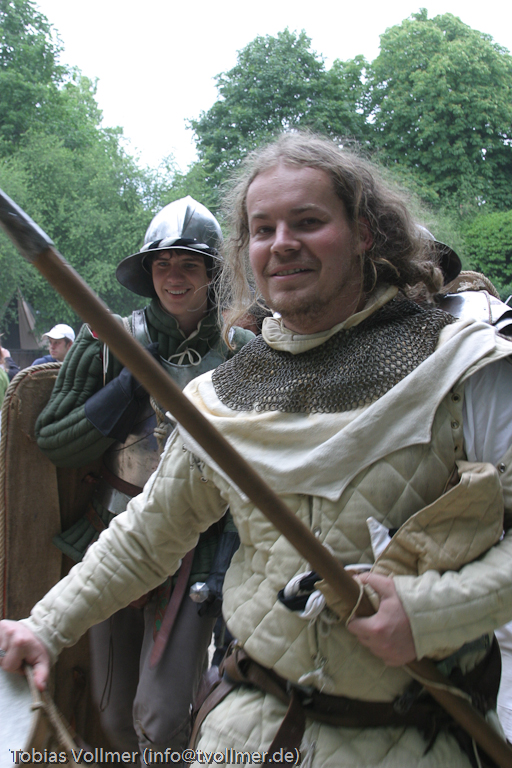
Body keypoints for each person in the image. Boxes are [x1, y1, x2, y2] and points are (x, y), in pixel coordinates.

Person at [2, 134, 512, 768]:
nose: (282, 243)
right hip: (246, 732)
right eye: (263, 229)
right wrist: (45, 626)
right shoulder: (223, 394)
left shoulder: (462, 364)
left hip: (416, 736)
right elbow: (147, 536)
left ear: (364, 233)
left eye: (308, 222)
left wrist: (432, 612)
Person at [15, 196, 253, 756]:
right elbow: (57, 441)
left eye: (189, 264)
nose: (174, 276)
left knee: (163, 717)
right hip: (113, 532)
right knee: (113, 714)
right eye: (163, 264)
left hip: (202, 542)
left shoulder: (241, 349)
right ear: (148, 273)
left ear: (212, 274)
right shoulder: (106, 340)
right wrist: (132, 378)